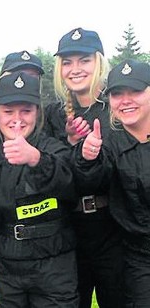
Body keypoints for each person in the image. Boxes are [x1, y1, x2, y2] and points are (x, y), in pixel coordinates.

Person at [0, 72, 79, 307]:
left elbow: (71, 185)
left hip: (55, 266)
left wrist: (37, 159)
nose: (17, 119)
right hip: (6, 269)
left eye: (26, 111)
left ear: (38, 113)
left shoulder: (55, 149)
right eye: (8, 111)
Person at [45, 27, 124, 308]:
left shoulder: (116, 107)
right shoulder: (53, 114)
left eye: (84, 60)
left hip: (112, 228)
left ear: (99, 62)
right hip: (70, 230)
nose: (75, 69)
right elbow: (52, 172)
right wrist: (68, 141)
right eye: (67, 62)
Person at [74, 59, 150, 307]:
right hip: (140, 259)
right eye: (117, 94)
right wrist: (86, 156)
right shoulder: (109, 143)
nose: (126, 100)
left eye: (135, 91)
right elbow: (91, 178)